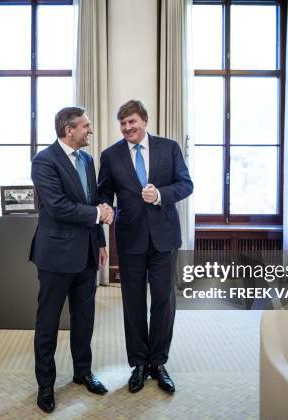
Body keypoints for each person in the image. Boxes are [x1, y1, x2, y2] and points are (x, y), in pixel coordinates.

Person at [97, 99, 193, 394]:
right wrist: (105, 207)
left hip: (164, 237)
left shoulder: (169, 147)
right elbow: (103, 192)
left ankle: (158, 362)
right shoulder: (110, 155)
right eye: (123, 124)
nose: (127, 128)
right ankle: (138, 363)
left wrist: (161, 194)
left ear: (145, 120)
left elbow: (186, 184)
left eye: (132, 122)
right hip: (129, 238)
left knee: (164, 301)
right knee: (134, 302)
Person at [29, 106, 113, 413]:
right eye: (86, 126)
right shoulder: (43, 161)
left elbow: (92, 202)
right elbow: (58, 206)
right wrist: (97, 215)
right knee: (48, 322)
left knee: (84, 318)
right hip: (55, 255)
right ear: (69, 130)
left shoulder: (88, 160)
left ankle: (82, 372)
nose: (90, 131)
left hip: (88, 253)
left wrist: (101, 241)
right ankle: (46, 385)